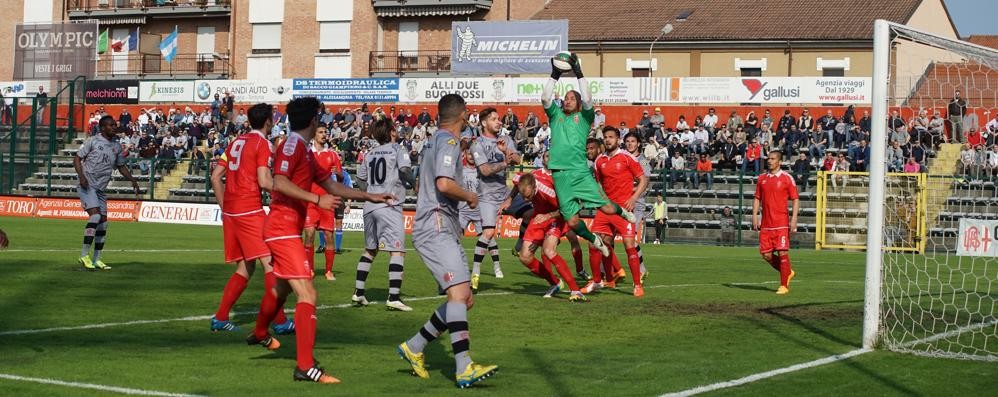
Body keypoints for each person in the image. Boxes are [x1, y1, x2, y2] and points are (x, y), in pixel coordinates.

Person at [248, 97, 391, 384]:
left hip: (286, 227)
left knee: (280, 290)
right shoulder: (291, 145)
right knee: (308, 295)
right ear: (313, 121)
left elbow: (331, 184)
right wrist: (317, 199)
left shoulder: (305, 150)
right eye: (320, 119)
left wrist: (368, 196)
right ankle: (305, 367)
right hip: (282, 228)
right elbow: (280, 180)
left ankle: (261, 332)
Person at [396, 94, 498, 389]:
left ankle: (414, 346)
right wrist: (469, 196)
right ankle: (464, 366)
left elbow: (421, 182)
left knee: (464, 299)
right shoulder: (449, 142)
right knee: (458, 296)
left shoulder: (431, 141)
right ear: (464, 116)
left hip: (439, 224)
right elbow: (443, 183)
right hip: (437, 223)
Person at [208, 102, 294, 334]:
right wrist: (292, 193)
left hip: (232, 213)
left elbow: (216, 176)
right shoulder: (262, 144)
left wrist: (225, 207)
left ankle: (221, 318)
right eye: (273, 118)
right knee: (271, 265)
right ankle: (280, 322)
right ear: (268, 122)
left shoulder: (236, 141)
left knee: (245, 269)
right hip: (249, 211)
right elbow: (265, 182)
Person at [350, 117, 416, 311]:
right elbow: (404, 169)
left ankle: (359, 293)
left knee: (370, 250)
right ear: (392, 132)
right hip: (389, 204)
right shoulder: (398, 149)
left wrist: (371, 192)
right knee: (397, 251)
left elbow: (360, 179)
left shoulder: (369, 153)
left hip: (370, 206)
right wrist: (415, 184)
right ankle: (394, 297)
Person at [512, 152, 586, 301]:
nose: (527, 199)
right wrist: (508, 200)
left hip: (555, 217)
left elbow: (566, 210)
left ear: (534, 186)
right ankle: (555, 283)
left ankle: (576, 291)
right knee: (524, 257)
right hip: (538, 218)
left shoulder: (549, 191)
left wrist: (547, 216)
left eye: (528, 195)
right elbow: (516, 180)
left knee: (549, 251)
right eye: (524, 196)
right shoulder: (520, 179)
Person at [585, 126, 649, 297]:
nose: (607, 140)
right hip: (605, 209)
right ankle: (598, 281)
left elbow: (643, 180)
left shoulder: (627, 158)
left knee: (629, 246)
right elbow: (598, 184)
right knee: (594, 243)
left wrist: (634, 198)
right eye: (605, 137)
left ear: (618, 139)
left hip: (624, 210)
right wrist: (600, 200)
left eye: (611, 137)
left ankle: (637, 285)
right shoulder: (599, 161)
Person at [75, 116, 140, 271]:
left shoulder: (116, 146)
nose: (114, 127)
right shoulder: (92, 141)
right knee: (95, 216)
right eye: (111, 125)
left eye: (115, 125)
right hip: (87, 185)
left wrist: (132, 180)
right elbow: (77, 159)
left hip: (101, 189)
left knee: (103, 223)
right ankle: (84, 255)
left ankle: (97, 259)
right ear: (103, 127)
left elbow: (121, 166)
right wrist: (82, 176)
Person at [469, 107, 520, 291]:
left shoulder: (505, 139)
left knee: (533, 211)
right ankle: (475, 273)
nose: (499, 122)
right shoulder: (477, 144)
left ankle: (521, 244)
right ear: (484, 123)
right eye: (494, 119)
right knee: (489, 234)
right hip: (487, 196)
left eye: (499, 119)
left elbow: (518, 158)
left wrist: (508, 152)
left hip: (506, 193)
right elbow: (484, 171)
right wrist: (505, 162)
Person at [751, 151, 800, 295]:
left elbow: (795, 199)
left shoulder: (786, 178)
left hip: (781, 223)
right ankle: (788, 272)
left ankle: (784, 285)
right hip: (766, 223)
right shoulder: (762, 179)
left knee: (782, 252)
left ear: (779, 162)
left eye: (773, 159)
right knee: (766, 255)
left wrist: (794, 219)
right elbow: (757, 198)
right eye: (768, 159)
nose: (769, 161)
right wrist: (754, 215)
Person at [302, 126, 340, 281]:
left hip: (327, 200)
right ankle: (309, 270)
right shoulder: (306, 154)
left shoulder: (332, 155)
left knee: (329, 236)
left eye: (326, 132)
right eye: (321, 132)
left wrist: (338, 174)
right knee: (309, 233)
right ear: (314, 135)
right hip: (310, 200)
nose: (324, 135)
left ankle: (328, 271)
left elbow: (341, 178)